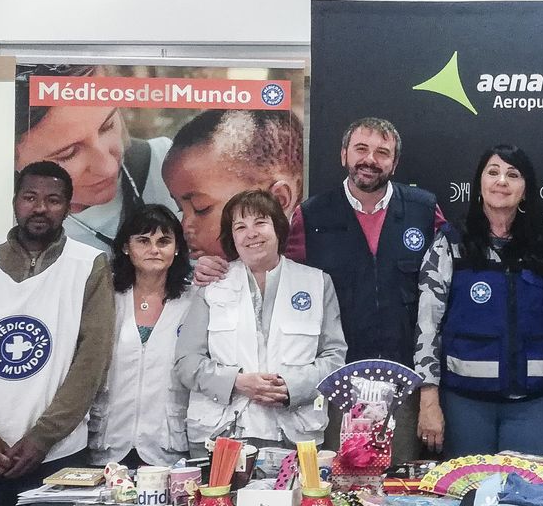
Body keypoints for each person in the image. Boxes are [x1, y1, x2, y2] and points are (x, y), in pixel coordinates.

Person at [200, 118, 446, 462]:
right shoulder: (312, 214)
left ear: (394, 162)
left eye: (382, 152)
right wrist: (215, 268)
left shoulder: (423, 209)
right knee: (335, 478)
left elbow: (446, 286)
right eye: (361, 149)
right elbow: (269, 269)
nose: (370, 160)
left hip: (402, 380)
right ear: (344, 154)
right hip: (333, 385)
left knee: (393, 483)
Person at [0, 161, 114, 506]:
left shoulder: (89, 266)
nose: (40, 208)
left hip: (59, 456)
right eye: (30, 197)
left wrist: (42, 437)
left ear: (68, 207)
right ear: (15, 201)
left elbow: (91, 363)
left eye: (53, 200)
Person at [413, 144, 543, 457]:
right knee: (466, 500)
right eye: (493, 172)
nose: (502, 181)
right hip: (465, 405)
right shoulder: (451, 240)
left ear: (525, 191)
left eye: (513, 174)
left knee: (531, 503)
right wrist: (428, 397)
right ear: (480, 184)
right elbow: (427, 323)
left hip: (533, 405)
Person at [175, 189, 346, 448]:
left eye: (260, 222)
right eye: (240, 227)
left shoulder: (317, 283)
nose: (251, 233)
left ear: (278, 228)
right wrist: (237, 382)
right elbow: (186, 363)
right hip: (223, 436)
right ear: (232, 237)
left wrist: (292, 386)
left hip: (295, 435)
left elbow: (334, 358)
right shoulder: (212, 284)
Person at [14, 64, 174, 249]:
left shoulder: (169, 168)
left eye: (108, 126)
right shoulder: (3, 223)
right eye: (68, 153)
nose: (109, 167)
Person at [88, 203, 194, 467]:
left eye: (164, 241)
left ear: (177, 248)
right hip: (108, 442)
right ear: (126, 247)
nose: (154, 249)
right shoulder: (105, 297)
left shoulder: (195, 301)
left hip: (168, 445)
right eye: (143, 241)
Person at [161, 108, 305, 261]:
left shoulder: (309, 272)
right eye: (180, 209)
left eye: (201, 208)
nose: (184, 227)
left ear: (277, 200)